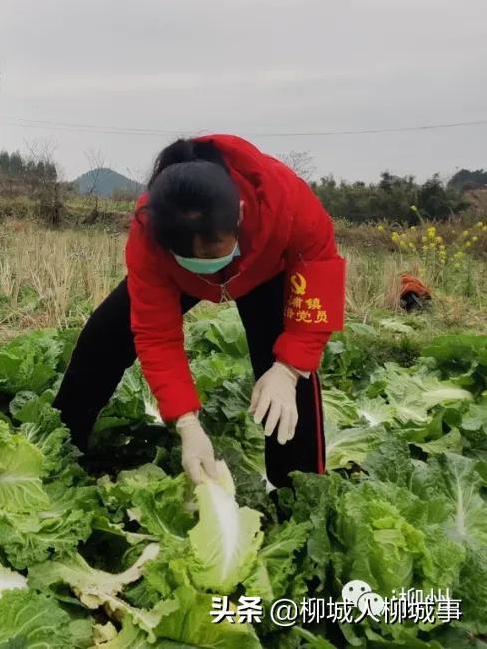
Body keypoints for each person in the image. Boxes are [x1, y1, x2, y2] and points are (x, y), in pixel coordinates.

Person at [52, 135, 344, 488]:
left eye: (213, 249)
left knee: (286, 377)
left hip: (265, 271)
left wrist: (288, 368)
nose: (206, 263)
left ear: (238, 212)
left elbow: (318, 273)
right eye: (194, 256)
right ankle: (62, 445)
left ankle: (299, 490)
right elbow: (156, 335)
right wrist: (186, 422)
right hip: (177, 278)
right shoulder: (150, 234)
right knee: (104, 336)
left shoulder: (284, 199)